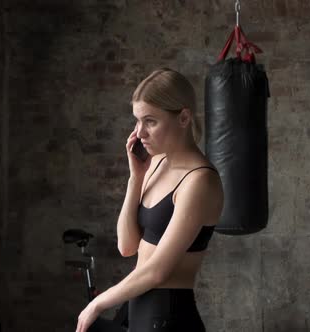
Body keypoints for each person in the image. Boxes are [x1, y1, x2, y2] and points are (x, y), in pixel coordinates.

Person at [76, 68, 224, 332]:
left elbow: (158, 270)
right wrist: (136, 179)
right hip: (139, 309)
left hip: (168, 316)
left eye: (150, 121)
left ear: (183, 118)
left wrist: (98, 303)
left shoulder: (200, 181)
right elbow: (127, 246)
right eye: (137, 121)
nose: (139, 132)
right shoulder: (155, 164)